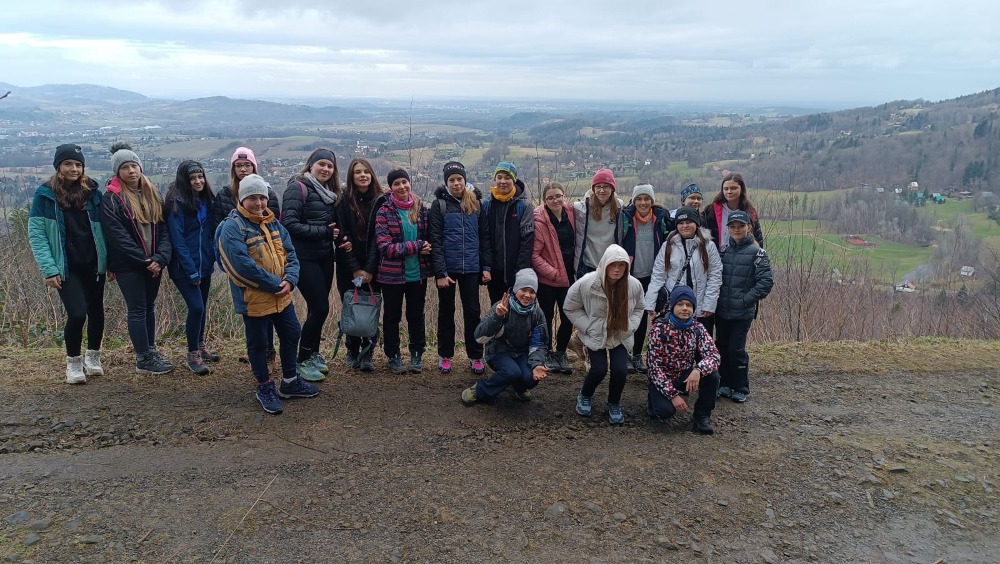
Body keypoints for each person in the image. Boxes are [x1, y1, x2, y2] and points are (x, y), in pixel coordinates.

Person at [215, 174, 320, 414]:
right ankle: (264, 386)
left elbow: (291, 254)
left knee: (292, 332)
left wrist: (290, 280)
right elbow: (240, 267)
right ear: (242, 199)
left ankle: (290, 381)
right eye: (252, 197)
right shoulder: (232, 227)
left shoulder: (273, 223)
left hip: (282, 294)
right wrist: (276, 284)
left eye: (262, 197)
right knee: (259, 343)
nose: (259, 203)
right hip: (254, 299)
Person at [28, 144, 107, 384]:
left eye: (78, 164)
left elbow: (106, 229)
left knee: (96, 310)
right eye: (68, 164)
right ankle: (73, 362)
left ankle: (93, 357)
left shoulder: (93, 192)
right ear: (58, 166)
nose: (74, 169)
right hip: (65, 266)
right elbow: (37, 235)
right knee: (77, 312)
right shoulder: (45, 195)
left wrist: (110, 261)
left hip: (93, 263)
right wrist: (49, 269)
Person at [101, 143, 173, 375]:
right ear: (117, 172)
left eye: (134, 165)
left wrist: (160, 258)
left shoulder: (152, 193)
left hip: (154, 263)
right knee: (137, 309)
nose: (131, 171)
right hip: (128, 265)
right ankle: (143, 358)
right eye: (125, 167)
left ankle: (151, 351)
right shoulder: (112, 199)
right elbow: (118, 238)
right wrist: (146, 261)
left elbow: (165, 230)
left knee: (149, 307)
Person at [210, 147, 280, 366]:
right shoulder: (224, 195)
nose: (242, 169)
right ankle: (255, 350)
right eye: (238, 166)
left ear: (254, 166)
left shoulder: (268, 193)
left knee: (267, 308)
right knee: (247, 309)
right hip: (238, 263)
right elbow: (217, 229)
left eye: (247, 165)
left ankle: (268, 352)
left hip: (265, 261)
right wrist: (226, 261)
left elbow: (275, 226)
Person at [281, 147, 344, 382]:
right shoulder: (297, 188)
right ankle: (302, 360)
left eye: (330, 166)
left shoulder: (329, 193)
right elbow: (289, 224)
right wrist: (324, 232)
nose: (326, 169)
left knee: (315, 308)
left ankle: (313, 353)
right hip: (303, 258)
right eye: (322, 164)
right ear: (311, 165)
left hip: (325, 257)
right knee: (320, 308)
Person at [564, 244, 645, 425]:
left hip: (620, 333)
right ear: (604, 264)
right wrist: (588, 326)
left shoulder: (633, 285)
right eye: (613, 265)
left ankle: (614, 403)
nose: (617, 269)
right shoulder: (587, 283)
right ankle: (585, 395)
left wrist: (631, 325)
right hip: (596, 332)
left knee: (620, 370)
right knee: (599, 369)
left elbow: (640, 308)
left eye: (621, 265)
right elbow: (570, 306)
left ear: (627, 266)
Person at [429, 161, 487, 375]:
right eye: (451, 180)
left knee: (473, 312)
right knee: (446, 312)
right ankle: (445, 355)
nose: (456, 183)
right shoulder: (439, 205)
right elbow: (435, 240)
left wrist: (486, 266)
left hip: (471, 268)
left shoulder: (476, 204)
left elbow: (484, 238)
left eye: (459, 179)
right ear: (446, 182)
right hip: (448, 269)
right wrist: (440, 272)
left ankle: (476, 355)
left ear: (465, 180)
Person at [461, 269, 548, 406]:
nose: (527, 295)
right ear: (516, 289)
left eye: (532, 291)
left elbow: (539, 344)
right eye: (524, 290)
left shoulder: (537, 313)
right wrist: (497, 317)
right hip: (498, 351)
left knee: (530, 378)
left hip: (521, 353)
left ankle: (519, 387)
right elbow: (479, 337)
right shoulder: (501, 306)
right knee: (511, 372)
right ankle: (479, 390)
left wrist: (537, 364)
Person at [375, 168, 431, 374]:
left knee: (416, 315)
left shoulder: (421, 208)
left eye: (404, 182)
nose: (402, 187)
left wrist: (427, 246)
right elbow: (386, 248)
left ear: (410, 183)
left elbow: (430, 239)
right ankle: (393, 355)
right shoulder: (384, 211)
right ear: (391, 188)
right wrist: (417, 246)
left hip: (418, 274)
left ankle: (417, 353)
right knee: (392, 316)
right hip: (391, 275)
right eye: (396, 183)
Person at [165, 160, 218, 375]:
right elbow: (177, 240)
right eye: (192, 178)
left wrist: (212, 259)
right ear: (184, 181)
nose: (198, 181)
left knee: (202, 306)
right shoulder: (176, 203)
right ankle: (192, 353)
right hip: (184, 267)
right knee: (196, 307)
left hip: (204, 264)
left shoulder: (206, 201)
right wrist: (191, 270)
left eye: (200, 177)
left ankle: (201, 345)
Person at [646, 285, 721, 435]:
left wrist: (698, 370)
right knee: (665, 412)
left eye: (689, 305)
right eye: (680, 304)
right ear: (673, 306)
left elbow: (714, 355)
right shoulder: (659, 329)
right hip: (663, 378)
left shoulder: (698, 328)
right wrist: (673, 395)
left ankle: (702, 416)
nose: (685, 308)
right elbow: (653, 368)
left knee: (713, 376)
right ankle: (653, 401)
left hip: (685, 374)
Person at [715, 211, 773, 403]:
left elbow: (765, 282)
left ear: (749, 227)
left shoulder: (758, 253)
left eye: (741, 226)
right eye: (733, 226)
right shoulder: (723, 251)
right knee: (722, 347)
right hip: (721, 311)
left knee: (736, 349)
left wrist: (745, 300)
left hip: (742, 313)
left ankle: (740, 387)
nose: (737, 229)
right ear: (728, 229)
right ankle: (724, 383)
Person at [335, 157, 386, 372]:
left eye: (366, 171)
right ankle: (352, 349)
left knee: (371, 308)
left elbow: (378, 238)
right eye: (358, 172)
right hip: (348, 265)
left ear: (372, 174)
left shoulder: (381, 200)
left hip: (375, 265)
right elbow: (342, 235)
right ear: (351, 176)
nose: (363, 175)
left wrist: (369, 269)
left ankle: (368, 351)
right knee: (351, 307)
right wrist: (355, 268)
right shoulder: (342, 200)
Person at [645, 206, 723, 335]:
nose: (685, 226)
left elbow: (715, 276)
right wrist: (650, 303)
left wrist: (709, 304)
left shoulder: (708, 246)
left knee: (700, 343)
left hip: (700, 308)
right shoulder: (668, 246)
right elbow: (658, 275)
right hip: (675, 307)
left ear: (696, 224)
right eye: (681, 223)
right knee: (675, 344)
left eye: (689, 222)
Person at [620, 183, 672, 374]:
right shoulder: (626, 218)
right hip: (630, 275)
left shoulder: (661, 219)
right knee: (626, 317)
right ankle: (625, 354)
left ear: (652, 201)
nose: (643, 202)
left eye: (647, 199)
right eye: (639, 199)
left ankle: (636, 355)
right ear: (634, 201)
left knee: (642, 317)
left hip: (652, 276)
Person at [532, 182, 576, 375]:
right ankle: (548, 353)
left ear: (564, 195)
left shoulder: (571, 214)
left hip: (570, 277)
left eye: (558, 196)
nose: (555, 200)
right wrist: (553, 273)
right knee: (547, 317)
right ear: (545, 201)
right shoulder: (539, 222)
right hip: (548, 280)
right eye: (550, 197)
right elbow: (534, 255)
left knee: (568, 317)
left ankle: (561, 352)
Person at [480, 161, 534, 303]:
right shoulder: (487, 205)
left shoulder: (524, 206)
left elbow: (527, 241)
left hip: (516, 271)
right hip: (494, 272)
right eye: (499, 177)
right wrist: (486, 266)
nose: (503, 181)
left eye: (507, 177)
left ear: (514, 180)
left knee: (517, 309)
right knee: (496, 309)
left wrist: (521, 271)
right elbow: (484, 238)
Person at [573, 168, 624, 277]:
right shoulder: (581, 209)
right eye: (598, 186)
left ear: (612, 188)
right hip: (588, 265)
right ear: (593, 188)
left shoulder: (619, 208)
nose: (602, 190)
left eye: (606, 186)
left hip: (611, 264)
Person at [703, 173, 764, 251]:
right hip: (716, 255)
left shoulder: (750, 212)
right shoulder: (712, 210)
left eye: (733, 188)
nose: (729, 191)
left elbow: (758, 238)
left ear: (741, 189)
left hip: (742, 255)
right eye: (726, 189)